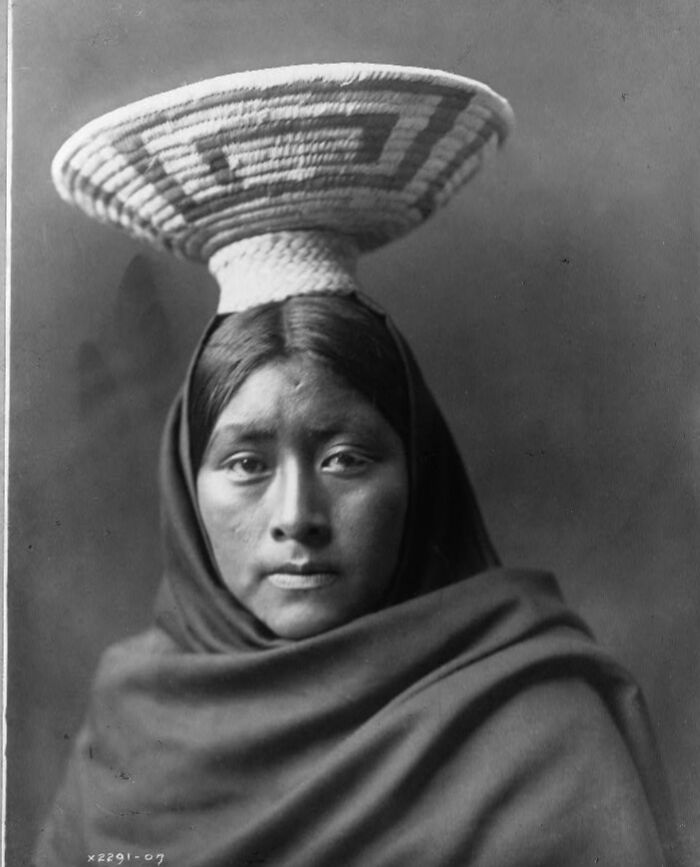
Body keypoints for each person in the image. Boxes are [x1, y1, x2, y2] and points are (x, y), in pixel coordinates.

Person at [36, 63, 680, 866]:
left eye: (345, 456)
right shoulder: (127, 724)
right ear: (184, 484)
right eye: (245, 462)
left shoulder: (538, 735)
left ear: (420, 473)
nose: (296, 513)